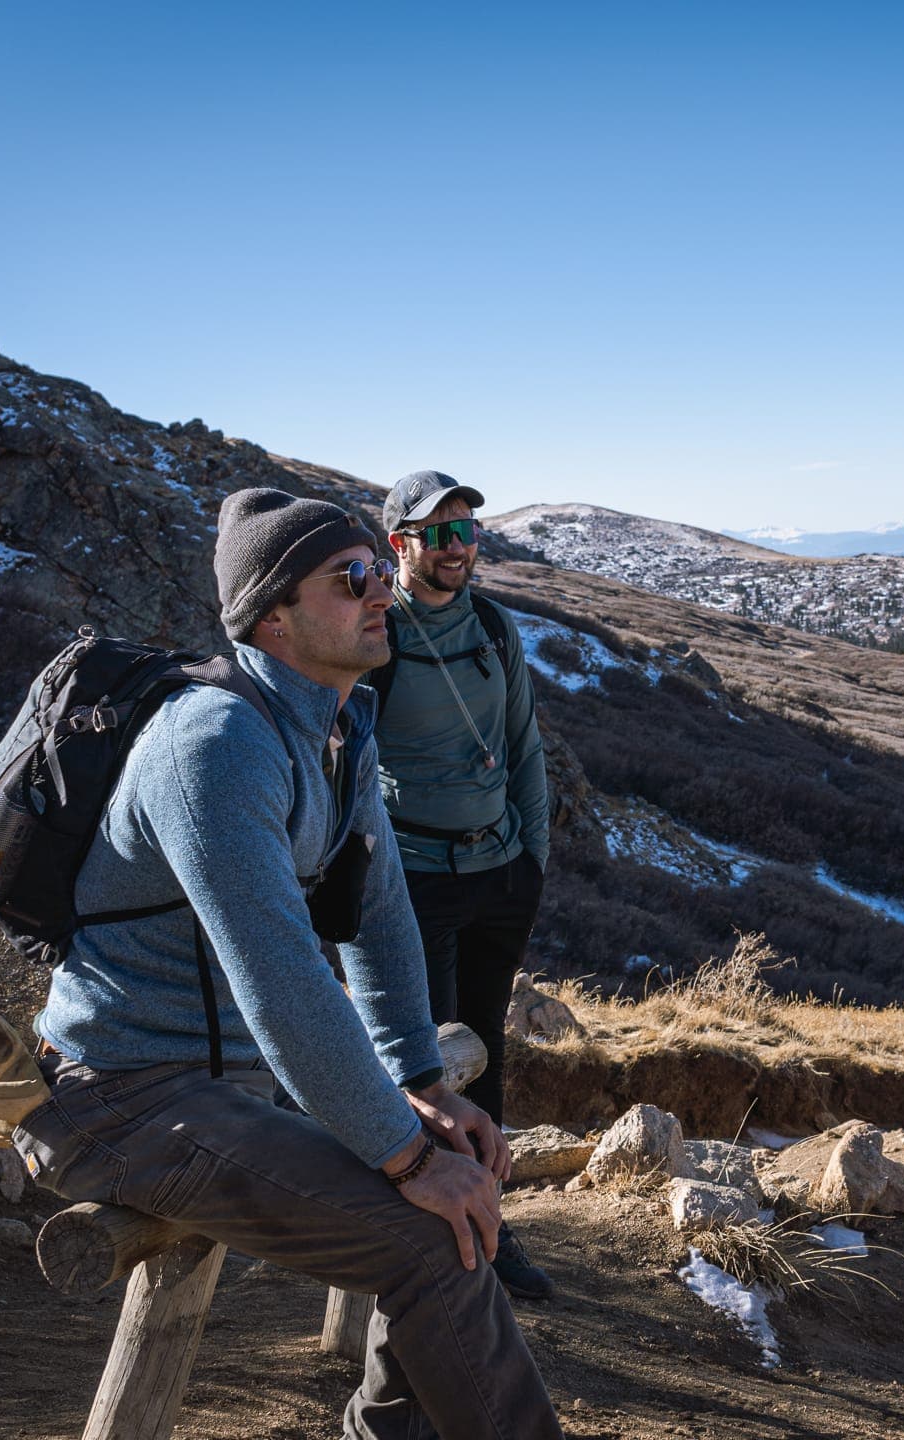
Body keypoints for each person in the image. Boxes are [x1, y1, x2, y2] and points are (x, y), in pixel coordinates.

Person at [0, 487, 563, 1440]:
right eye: (351, 578)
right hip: (124, 1096)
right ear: (272, 618)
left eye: (380, 569)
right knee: (429, 1232)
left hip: (230, 1083)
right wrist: (404, 1151)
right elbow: (283, 978)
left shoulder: (335, 727)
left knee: (455, 1183)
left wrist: (421, 1082)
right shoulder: (217, 744)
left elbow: (377, 919)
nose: (382, 591)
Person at [374, 470, 554, 1298]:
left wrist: (532, 865)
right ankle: (443, 1239)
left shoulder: (491, 624)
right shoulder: (377, 633)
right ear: (398, 544)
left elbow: (523, 748)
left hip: (499, 874)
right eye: (438, 534)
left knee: (486, 1050)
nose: (456, 549)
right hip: (416, 881)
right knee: (429, 1065)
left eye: (467, 533)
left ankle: (491, 1225)